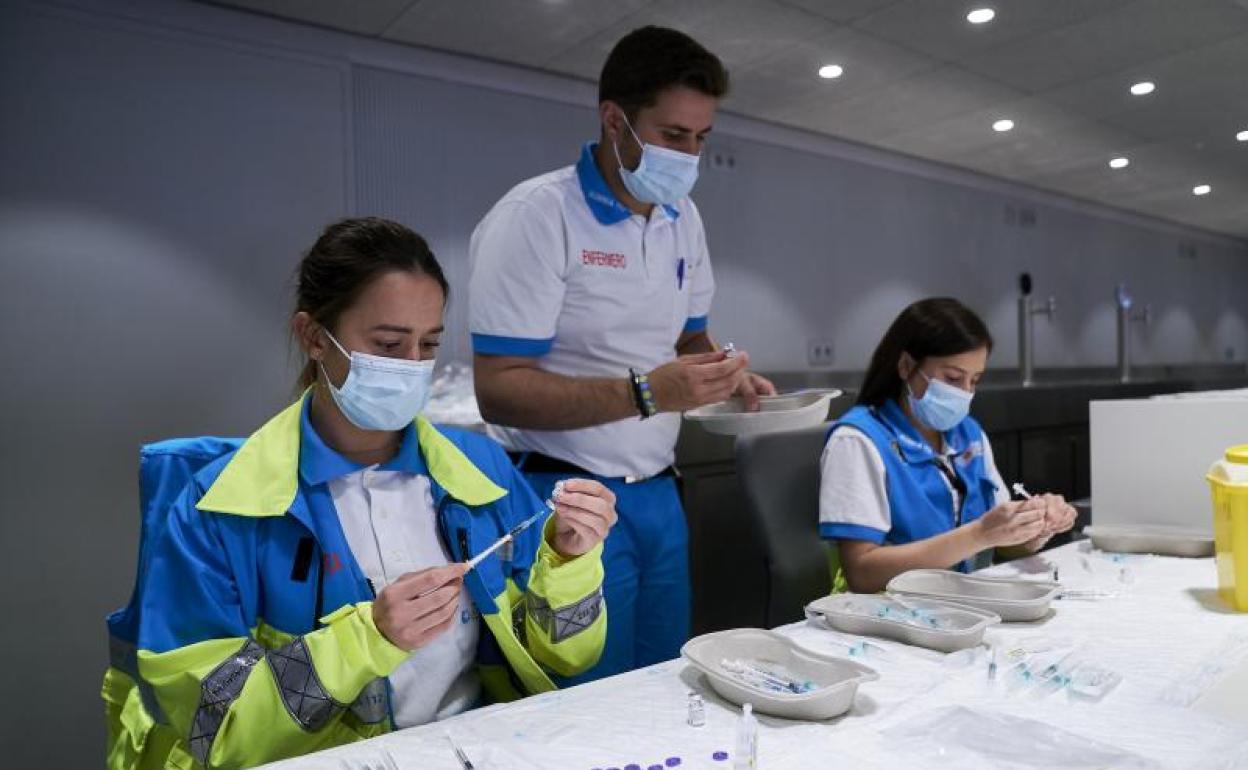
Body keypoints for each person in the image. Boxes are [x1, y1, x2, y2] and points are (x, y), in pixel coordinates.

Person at [102, 218, 618, 770]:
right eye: (389, 344)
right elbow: (213, 723)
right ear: (314, 338)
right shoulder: (220, 510)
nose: (412, 365)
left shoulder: (480, 472)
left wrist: (568, 563)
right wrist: (367, 639)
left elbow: (562, 657)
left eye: (429, 344)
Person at [468, 26, 774, 682]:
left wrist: (724, 369)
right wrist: (648, 393)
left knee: (663, 681)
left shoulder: (680, 218)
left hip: (658, 492)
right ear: (615, 120)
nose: (689, 155)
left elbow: (687, 336)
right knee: (582, 697)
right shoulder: (538, 216)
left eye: (701, 138)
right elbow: (498, 387)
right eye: (672, 135)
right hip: (563, 493)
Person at [819, 297, 1076, 593]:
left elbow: (1004, 547)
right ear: (906, 366)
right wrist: (979, 535)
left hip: (961, 605)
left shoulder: (968, 435)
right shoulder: (859, 441)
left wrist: (1031, 529)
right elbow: (862, 573)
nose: (965, 393)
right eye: (953, 378)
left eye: (974, 380)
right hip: (887, 615)